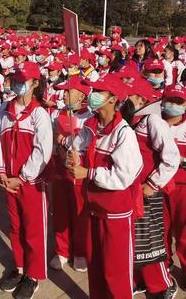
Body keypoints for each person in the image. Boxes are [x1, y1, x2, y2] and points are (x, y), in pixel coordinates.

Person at [66, 74, 143, 299]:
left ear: (112, 99)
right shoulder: (91, 125)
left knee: (116, 272)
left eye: (99, 92)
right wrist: (72, 157)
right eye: (94, 91)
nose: (93, 96)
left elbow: (124, 177)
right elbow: (77, 147)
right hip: (93, 208)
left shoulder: (124, 133)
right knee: (96, 266)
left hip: (115, 214)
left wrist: (88, 172)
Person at [0, 63, 53, 299]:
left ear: (35, 83)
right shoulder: (3, 111)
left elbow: (43, 151)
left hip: (31, 182)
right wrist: (1, 172)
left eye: (23, 80)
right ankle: (19, 267)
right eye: (15, 79)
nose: (18, 83)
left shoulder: (39, 114)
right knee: (16, 227)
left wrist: (23, 177)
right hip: (8, 180)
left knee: (34, 230)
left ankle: (34, 275)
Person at [120, 78, 179, 298]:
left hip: (147, 191)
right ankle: (140, 280)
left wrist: (152, 184)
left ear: (142, 99)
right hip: (130, 189)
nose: (125, 100)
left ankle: (163, 284)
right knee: (135, 240)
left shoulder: (153, 119)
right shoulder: (129, 118)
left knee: (151, 240)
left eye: (130, 97)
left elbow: (171, 157)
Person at [50, 76, 92, 272]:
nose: (64, 95)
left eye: (68, 91)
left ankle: (81, 252)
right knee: (60, 212)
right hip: (59, 171)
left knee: (80, 214)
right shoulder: (57, 114)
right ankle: (62, 251)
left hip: (80, 174)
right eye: (63, 91)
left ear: (82, 95)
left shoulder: (90, 117)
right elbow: (51, 140)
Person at [162, 84, 186, 283]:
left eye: (178, 102)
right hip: (159, 186)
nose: (173, 105)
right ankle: (164, 267)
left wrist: (181, 161)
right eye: (170, 100)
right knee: (161, 231)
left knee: (185, 233)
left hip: (183, 187)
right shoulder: (153, 123)